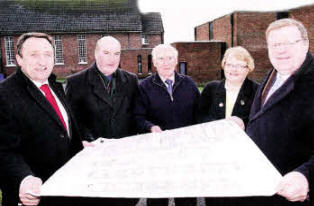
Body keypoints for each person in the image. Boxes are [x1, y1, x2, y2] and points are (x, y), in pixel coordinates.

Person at [0, 32, 83, 206]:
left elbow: (62, 128)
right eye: (34, 54)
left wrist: (82, 146)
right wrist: (24, 179)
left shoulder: (54, 85)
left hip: (65, 190)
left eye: (47, 54)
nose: (42, 61)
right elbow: (4, 150)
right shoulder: (5, 94)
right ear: (19, 59)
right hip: (35, 196)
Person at [245, 18, 314, 206]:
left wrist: (306, 176)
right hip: (261, 190)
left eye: (289, 43)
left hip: (293, 195)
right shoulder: (272, 74)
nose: (280, 50)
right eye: (275, 44)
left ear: (305, 44)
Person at [66, 36, 139, 206]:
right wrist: (87, 141)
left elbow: (137, 116)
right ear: (96, 53)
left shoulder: (131, 80)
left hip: (124, 159)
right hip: (93, 159)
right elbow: (72, 121)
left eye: (116, 54)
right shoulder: (76, 82)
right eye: (106, 53)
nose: (112, 59)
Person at [134, 44, 200, 206]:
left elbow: (200, 114)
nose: (166, 63)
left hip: (185, 150)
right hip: (157, 151)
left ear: (176, 61)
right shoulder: (144, 87)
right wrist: (151, 127)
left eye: (170, 58)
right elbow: (137, 117)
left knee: (187, 196)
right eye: (161, 59)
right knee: (157, 196)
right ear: (154, 62)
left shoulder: (189, 84)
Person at [198, 46, 258, 127]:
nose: (233, 69)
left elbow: (260, 121)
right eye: (229, 65)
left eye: (239, 65)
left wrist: (244, 123)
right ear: (224, 66)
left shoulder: (257, 91)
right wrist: (219, 126)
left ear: (248, 68)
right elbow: (200, 117)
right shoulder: (210, 89)